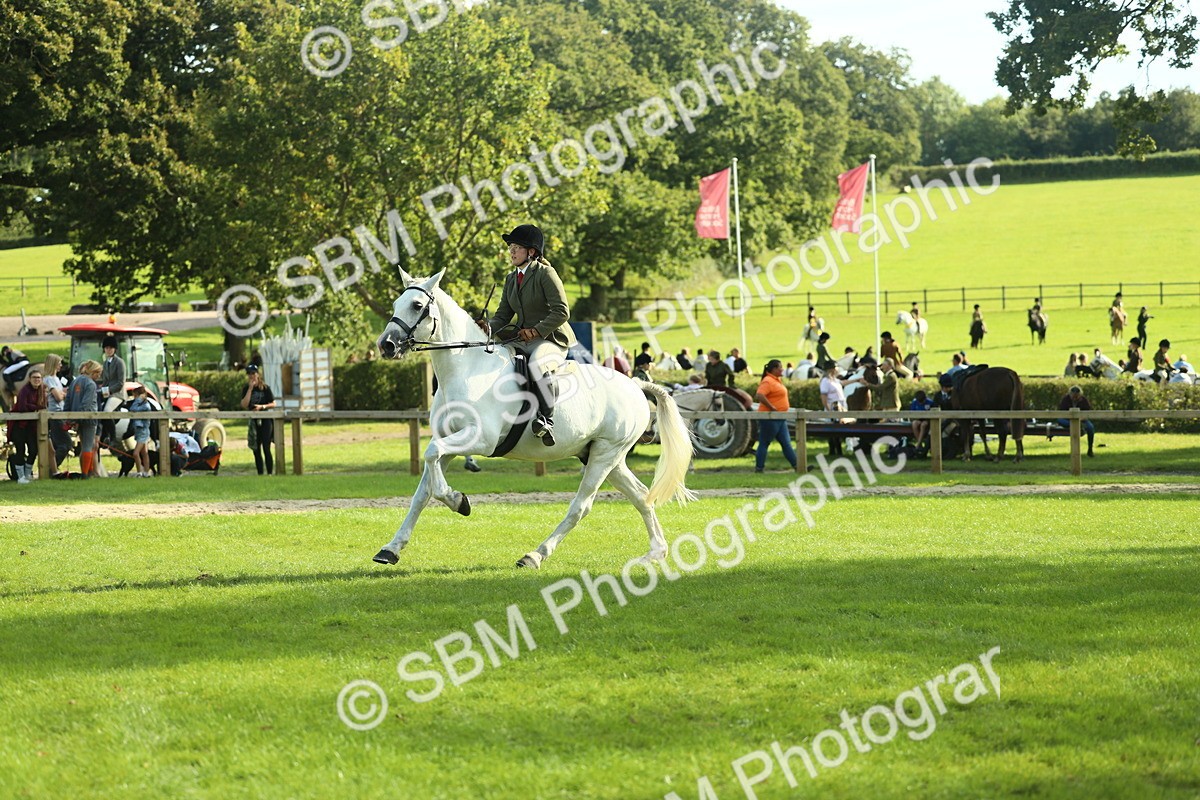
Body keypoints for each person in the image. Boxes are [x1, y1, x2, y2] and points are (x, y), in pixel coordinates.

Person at [481, 224, 576, 446]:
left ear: (531, 252)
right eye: (510, 247)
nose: (511, 252)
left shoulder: (546, 274)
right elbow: (503, 316)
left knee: (537, 363)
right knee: (498, 360)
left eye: (517, 247)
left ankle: (546, 419)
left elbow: (562, 311)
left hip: (552, 338)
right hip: (523, 340)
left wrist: (536, 330)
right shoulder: (511, 279)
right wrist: (487, 327)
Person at [753, 359, 797, 472]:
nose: (782, 369)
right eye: (780, 367)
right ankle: (759, 468)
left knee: (786, 443)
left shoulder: (776, 380)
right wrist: (771, 407)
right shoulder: (768, 381)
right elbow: (760, 395)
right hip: (769, 418)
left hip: (780, 417)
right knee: (764, 442)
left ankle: (798, 466)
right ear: (774, 369)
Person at [8, 369, 47, 483]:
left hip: (31, 426)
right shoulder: (24, 391)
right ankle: (20, 477)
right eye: (34, 377)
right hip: (19, 425)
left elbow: (44, 405)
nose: (37, 380)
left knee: (33, 450)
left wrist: (36, 407)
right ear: (29, 379)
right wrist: (36, 407)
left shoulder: (41, 391)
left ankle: (27, 473)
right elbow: (22, 407)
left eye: (39, 377)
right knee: (20, 450)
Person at [67, 360, 103, 478]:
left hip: (75, 417)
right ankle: (85, 474)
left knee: (85, 445)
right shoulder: (91, 384)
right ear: (93, 371)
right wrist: (79, 418)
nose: (99, 376)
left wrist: (70, 418)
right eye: (98, 372)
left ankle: (90, 471)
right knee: (88, 445)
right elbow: (86, 404)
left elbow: (68, 400)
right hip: (88, 418)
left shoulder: (74, 381)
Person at [241, 364, 276, 475]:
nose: (251, 376)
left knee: (266, 447)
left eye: (253, 373)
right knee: (256, 449)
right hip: (254, 421)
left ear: (257, 374)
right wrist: (250, 389)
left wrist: (262, 407)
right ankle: (260, 473)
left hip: (266, 420)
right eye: (249, 374)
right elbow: (244, 404)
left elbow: (273, 403)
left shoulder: (265, 388)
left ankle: (270, 473)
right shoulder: (246, 389)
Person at [42, 354, 70, 474]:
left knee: (57, 444)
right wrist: (63, 394)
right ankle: (51, 468)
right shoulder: (48, 379)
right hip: (55, 414)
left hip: (60, 414)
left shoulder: (56, 379)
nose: (61, 365)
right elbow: (58, 397)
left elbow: (62, 392)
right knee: (66, 444)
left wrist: (62, 393)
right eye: (59, 363)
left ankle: (52, 468)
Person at [99, 334, 127, 447]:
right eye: (106, 348)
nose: (108, 350)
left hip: (118, 394)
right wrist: (100, 390)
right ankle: (103, 435)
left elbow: (120, 382)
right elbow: (105, 380)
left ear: (114, 349)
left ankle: (113, 437)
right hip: (108, 393)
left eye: (110, 348)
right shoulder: (105, 363)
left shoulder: (120, 362)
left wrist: (108, 391)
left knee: (106, 411)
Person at [1057, 386, 1096, 457]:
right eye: (1073, 396)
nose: (1074, 398)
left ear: (1080, 395)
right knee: (1060, 420)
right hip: (1067, 419)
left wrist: (1080, 419)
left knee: (1090, 428)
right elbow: (1061, 412)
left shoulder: (1084, 400)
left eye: (1076, 396)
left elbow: (1088, 413)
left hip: (1082, 420)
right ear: (1070, 394)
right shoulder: (1065, 399)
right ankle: (1074, 425)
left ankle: (1090, 449)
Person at [128, 384, 153, 477]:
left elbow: (133, 409)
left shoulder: (145, 406)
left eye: (135, 395)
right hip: (139, 431)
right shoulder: (142, 404)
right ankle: (146, 472)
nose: (134, 398)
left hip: (143, 431)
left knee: (135, 453)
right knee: (144, 453)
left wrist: (138, 399)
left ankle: (139, 472)